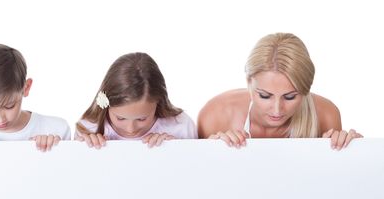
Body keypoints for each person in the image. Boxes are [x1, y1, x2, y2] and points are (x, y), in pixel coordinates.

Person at [197, 32, 362, 150]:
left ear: (306, 89)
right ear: (249, 83)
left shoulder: (326, 114)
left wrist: (353, 149)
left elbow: (333, 182)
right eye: (264, 96)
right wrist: (207, 153)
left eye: (290, 97)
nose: (277, 110)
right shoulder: (215, 114)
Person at [75, 52, 197, 149]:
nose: (130, 129)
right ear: (106, 105)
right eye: (120, 118)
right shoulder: (88, 128)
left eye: (141, 119)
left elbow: (195, 171)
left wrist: (176, 149)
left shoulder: (180, 126)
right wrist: (83, 150)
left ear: (159, 102)